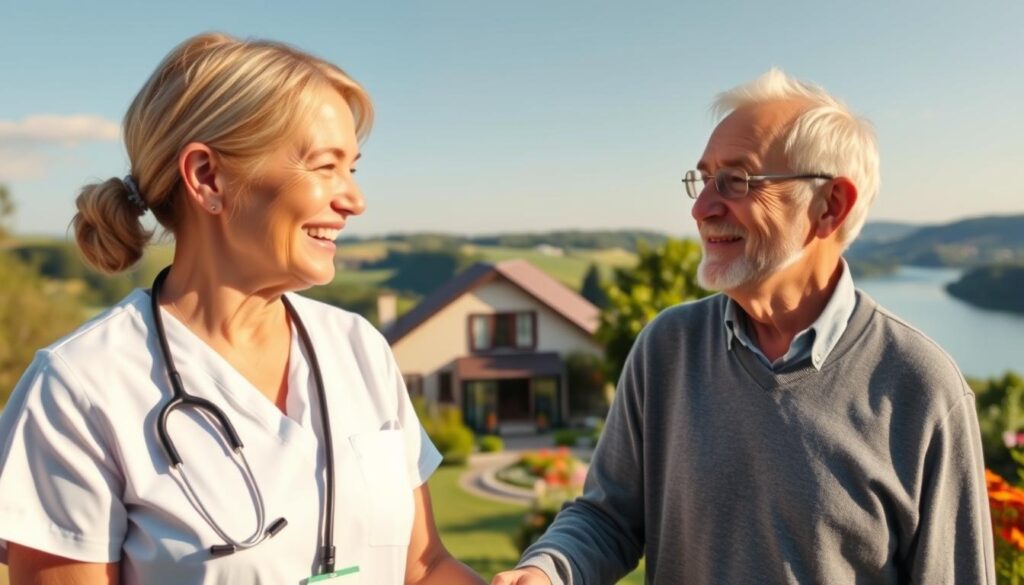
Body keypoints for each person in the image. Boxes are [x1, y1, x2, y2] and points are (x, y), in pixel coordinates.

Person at [0, 33, 484, 585]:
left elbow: (422, 568)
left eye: (352, 168)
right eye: (326, 166)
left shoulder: (359, 349)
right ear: (208, 177)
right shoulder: (78, 390)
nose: (353, 200)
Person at [493, 69, 994, 584]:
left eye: (736, 181)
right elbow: (608, 518)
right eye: (703, 179)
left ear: (830, 206)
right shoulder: (668, 348)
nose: (701, 208)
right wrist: (547, 572)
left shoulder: (921, 386)